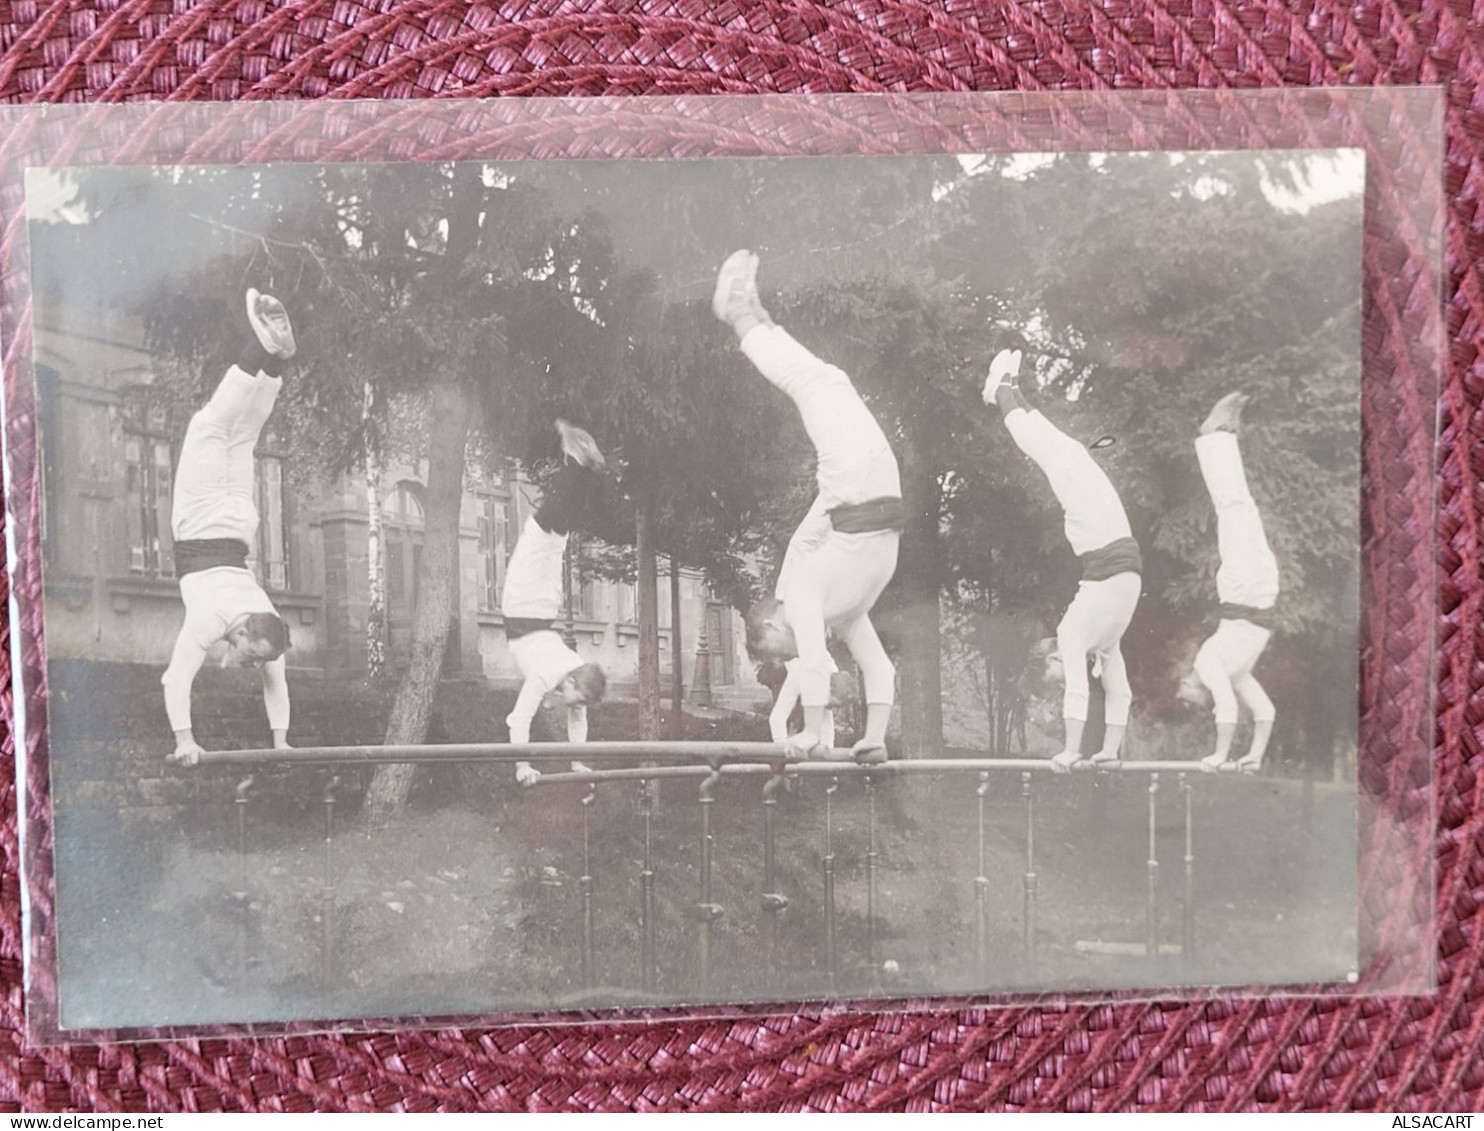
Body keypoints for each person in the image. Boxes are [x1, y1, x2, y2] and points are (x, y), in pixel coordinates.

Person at [714, 250, 903, 763]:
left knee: (823, 381)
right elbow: (878, 669)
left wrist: (812, 732)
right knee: (825, 381)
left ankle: (742, 314)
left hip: (865, 492)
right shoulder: (842, 612)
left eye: (781, 650)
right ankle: (750, 313)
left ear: (773, 625)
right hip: (870, 491)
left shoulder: (799, 593)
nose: (794, 654)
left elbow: (816, 663)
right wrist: (873, 737)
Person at [984, 348, 1141, 772]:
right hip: (1115, 544)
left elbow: (1078, 689)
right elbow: (1119, 691)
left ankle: (1002, 389)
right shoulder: (1102, 641)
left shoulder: (1074, 633)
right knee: (1060, 449)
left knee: (1053, 451)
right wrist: (1109, 750)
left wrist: (1072, 751)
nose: (1058, 688)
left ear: (1048, 662)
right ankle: (1009, 388)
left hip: (1105, 541)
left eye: (1047, 685)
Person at [163, 289, 296, 766]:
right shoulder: (211, 622)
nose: (257, 665)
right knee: (211, 426)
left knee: (244, 435)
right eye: (254, 656)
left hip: (240, 524)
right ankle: (262, 347)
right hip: (200, 523)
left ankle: (276, 361)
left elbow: (275, 682)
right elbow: (175, 678)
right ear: (241, 633)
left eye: (259, 659)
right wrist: (183, 739)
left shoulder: (265, 620)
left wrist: (282, 743)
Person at [1177, 392, 1279, 773]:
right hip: (1258, 591)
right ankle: (1220, 436)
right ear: (1201, 692)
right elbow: (1259, 710)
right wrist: (1242, 754)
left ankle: (1216, 436)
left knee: (1235, 507)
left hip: (1245, 592)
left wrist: (1242, 752)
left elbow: (1244, 707)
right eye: (1186, 694)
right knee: (1240, 506)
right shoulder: (1214, 668)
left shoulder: (1225, 668)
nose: (1181, 687)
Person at [505, 420, 610, 787]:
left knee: (554, 530)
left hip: (534, 610)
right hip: (526, 603)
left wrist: (578, 762)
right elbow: (518, 719)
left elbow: (578, 715)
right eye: (575, 697)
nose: (574, 706)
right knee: (550, 528)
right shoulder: (548, 675)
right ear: (570, 680)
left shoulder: (578, 670)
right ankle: (577, 465)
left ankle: (580, 466)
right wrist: (522, 767)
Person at [768, 656, 840, 752]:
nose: (833, 710)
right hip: (795, 661)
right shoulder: (798, 676)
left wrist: (827, 753)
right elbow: (776, 718)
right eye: (831, 704)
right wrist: (782, 749)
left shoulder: (834, 675)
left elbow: (827, 726)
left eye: (836, 706)